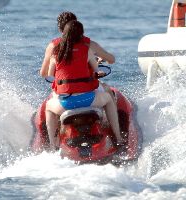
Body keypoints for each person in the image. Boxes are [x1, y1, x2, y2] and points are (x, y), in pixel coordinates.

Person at [44, 20, 125, 151]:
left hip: (65, 105)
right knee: (109, 99)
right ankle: (118, 138)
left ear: (64, 34)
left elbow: (50, 75)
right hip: (88, 101)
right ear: (81, 34)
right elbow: (95, 68)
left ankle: (53, 145)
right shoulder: (86, 50)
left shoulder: (55, 53)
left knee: (48, 107)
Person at [40, 11, 116, 102]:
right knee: (107, 89)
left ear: (60, 29)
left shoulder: (53, 46)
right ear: (76, 26)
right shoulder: (88, 44)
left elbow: (43, 73)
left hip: (63, 92)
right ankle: (115, 115)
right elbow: (111, 59)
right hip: (87, 90)